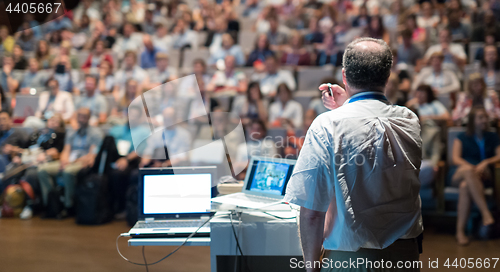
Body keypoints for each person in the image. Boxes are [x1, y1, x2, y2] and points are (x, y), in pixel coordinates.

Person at [284, 38, 422, 272]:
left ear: (345, 76)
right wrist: (347, 105)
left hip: (350, 260)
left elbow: (311, 213)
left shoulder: (327, 125)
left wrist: (310, 267)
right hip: (405, 256)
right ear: (387, 77)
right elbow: (370, 131)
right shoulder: (409, 120)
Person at [38, 108, 103, 218]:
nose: (82, 119)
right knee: (42, 170)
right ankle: (51, 203)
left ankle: (69, 206)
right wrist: (64, 160)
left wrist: (73, 162)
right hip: (69, 161)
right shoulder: (72, 131)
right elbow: (66, 150)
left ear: (89, 117)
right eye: (80, 116)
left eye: (84, 116)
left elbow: (92, 155)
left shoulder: (96, 133)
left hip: (82, 162)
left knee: (67, 172)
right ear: (76, 117)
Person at [451, 106, 499, 245]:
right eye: (480, 117)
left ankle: (460, 232)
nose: (484, 120)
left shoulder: (492, 136)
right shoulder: (461, 137)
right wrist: (473, 168)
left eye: (485, 117)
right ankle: (486, 213)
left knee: (465, 187)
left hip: (482, 176)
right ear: (472, 121)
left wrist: (485, 162)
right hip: (459, 172)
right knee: (467, 171)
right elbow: (455, 159)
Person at [108, 105, 150, 216]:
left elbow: (140, 150)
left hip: (132, 161)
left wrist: (126, 160)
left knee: (119, 175)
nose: (132, 118)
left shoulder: (144, 132)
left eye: (135, 116)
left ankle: (122, 207)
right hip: (114, 158)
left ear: (139, 117)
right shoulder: (116, 129)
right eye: (130, 115)